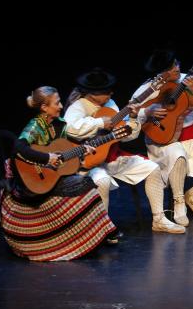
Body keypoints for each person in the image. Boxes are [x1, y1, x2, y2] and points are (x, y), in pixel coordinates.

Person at [0, 86, 117, 261]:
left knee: (88, 183)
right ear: (44, 107)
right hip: (33, 182)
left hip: (51, 177)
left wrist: (82, 150)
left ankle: (96, 232)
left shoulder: (60, 123)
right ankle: (102, 231)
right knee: (86, 184)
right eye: (57, 103)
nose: (61, 106)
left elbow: (63, 150)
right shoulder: (35, 126)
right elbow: (18, 148)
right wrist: (46, 158)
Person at [64, 67, 184, 233]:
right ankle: (101, 230)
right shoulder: (78, 106)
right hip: (88, 162)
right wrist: (99, 123)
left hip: (113, 157)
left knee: (152, 169)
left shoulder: (110, 104)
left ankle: (159, 219)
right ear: (92, 94)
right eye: (106, 92)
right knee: (102, 181)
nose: (111, 94)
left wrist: (133, 118)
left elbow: (126, 136)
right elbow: (70, 129)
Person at [132, 47, 193, 226]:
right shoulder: (147, 89)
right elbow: (129, 118)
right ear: (160, 73)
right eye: (171, 68)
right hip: (162, 142)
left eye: (176, 64)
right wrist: (146, 112)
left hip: (190, 136)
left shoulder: (189, 80)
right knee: (177, 154)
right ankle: (179, 203)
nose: (176, 69)